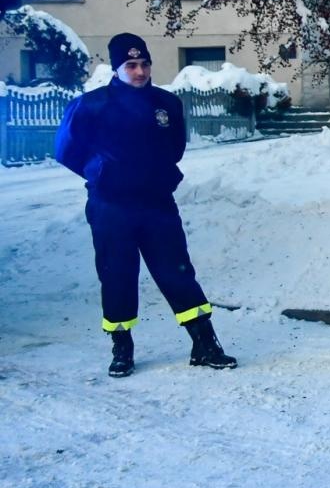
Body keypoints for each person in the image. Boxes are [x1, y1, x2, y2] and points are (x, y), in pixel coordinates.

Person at [55, 31, 236, 378]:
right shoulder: (92, 105)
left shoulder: (166, 104)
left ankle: (205, 343)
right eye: (131, 65)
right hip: (111, 206)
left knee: (178, 271)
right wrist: (100, 169)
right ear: (117, 67)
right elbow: (66, 149)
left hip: (156, 204)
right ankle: (122, 347)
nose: (139, 72)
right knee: (117, 274)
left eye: (144, 64)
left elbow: (175, 148)